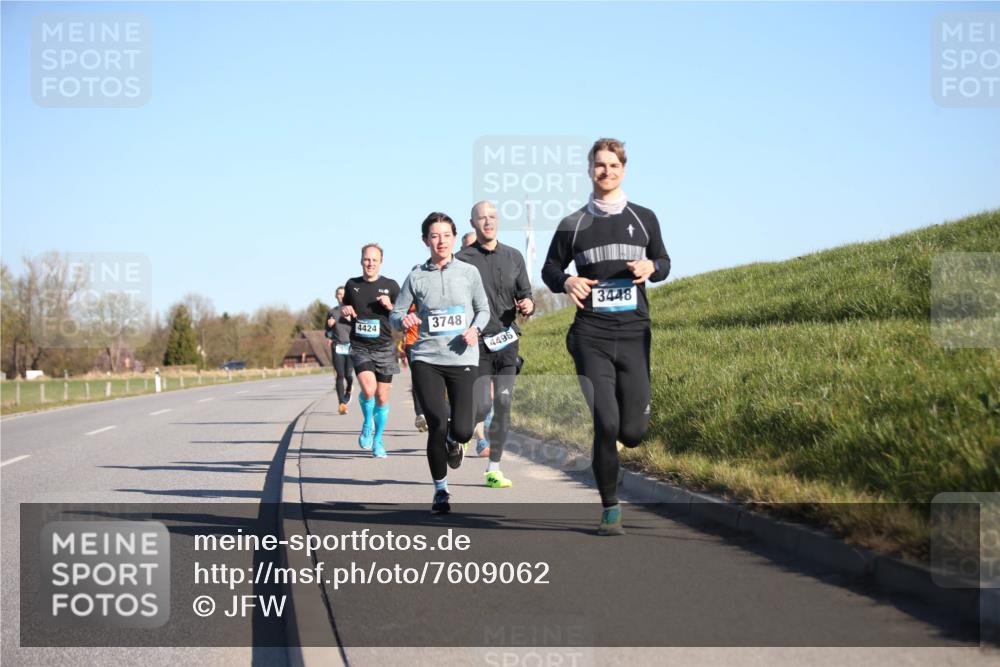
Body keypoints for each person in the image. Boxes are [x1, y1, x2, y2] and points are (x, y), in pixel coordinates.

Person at [541, 138, 670, 536]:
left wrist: (652, 265)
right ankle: (610, 507)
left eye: (613, 165)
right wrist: (567, 281)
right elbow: (549, 268)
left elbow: (664, 262)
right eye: (600, 165)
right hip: (590, 335)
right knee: (605, 422)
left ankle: (623, 448)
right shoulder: (573, 223)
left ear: (624, 170)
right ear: (590, 170)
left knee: (632, 433)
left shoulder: (644, 217)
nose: (606, 171)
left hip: (633, 332)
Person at [391, 212, 490, 514]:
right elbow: (395, 316)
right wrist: (403, 318)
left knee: (462, 428)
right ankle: (441, 491)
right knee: (435, 422)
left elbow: (483, 309)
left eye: (446, 235)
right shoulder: (416, 276)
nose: (441, 241)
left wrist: (475, 329)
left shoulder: (469, 272)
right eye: (435, 236)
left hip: (463, 356)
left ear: (453, 238)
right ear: (426, 241)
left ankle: (454, 439)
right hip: (426, 358)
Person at [456, 201, 534, 489]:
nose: (488, 222)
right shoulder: (461, 260)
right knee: (481, 405)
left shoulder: (513, 257)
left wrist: (529, 304)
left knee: (503, 403)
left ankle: (494, 468)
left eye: (492, 217)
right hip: (476, 343)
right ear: (473, 222)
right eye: (482, 218)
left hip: (506, 340)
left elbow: (526, 295)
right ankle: (459, 435)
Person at [340, 244, 400, 458]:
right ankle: (367, 422)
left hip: (384, 346)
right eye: (367, 259)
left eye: (374, 260)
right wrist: (344, 309)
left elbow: (401, 313)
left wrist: (390, 306)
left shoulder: (391, 285)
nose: (370, 263)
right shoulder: (352, 284)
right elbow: (345, 309)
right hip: (360, 346)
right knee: (369, 390)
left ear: (381, 262)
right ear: (361, 261)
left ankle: (378, 440)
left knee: (382, 398)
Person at [325, 286, 354, 414]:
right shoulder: (332, 312)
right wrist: (329, 326)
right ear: (336, 296)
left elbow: (360, 326)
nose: (341, 296)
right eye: (339, 294)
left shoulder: (353, 310)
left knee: (348, 375)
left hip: (351, 347)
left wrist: (352, 319)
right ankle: (341, 404)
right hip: (337, 346)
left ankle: (349, 389)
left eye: (343, 294)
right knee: (340, 375)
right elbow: (327, 332)